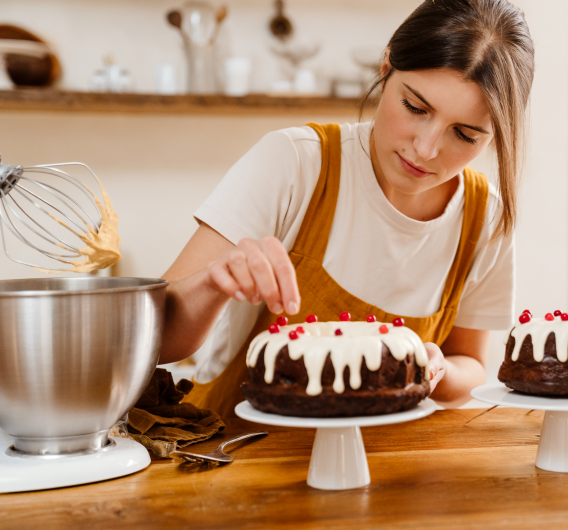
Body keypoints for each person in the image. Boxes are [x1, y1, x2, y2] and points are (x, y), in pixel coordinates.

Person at [158, 0, 535, 417]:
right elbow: (159, 339)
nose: (426, 149)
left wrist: (439, 370)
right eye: (415, 107)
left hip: (389, 465)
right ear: (386, 67)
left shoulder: (485, 218)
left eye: (464, 134)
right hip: (243, 453)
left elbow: (474, 366)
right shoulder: (294, 164)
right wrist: (214, 283)